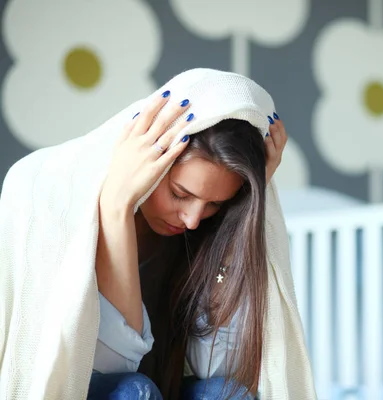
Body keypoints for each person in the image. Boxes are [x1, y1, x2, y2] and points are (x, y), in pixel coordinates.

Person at [0, 69, 316, 400]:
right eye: (180, 193)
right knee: (134, 390)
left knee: (227, 393)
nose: (193, 219)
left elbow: (217, 368)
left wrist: (236, 220)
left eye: (214, 204)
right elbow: (113, 366)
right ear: (150, 160)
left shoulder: (204, 229)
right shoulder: (49, 196)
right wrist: (116, 206)